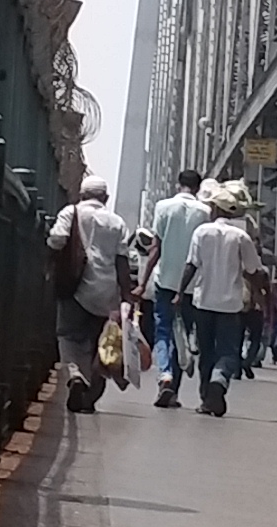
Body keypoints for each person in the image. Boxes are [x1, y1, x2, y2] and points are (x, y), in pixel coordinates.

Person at [45, 181, 130, 417]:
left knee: (68, 336)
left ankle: (75, 375)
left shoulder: (71, 212)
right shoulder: (117, 222)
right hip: (105, 293)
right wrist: (127, 297)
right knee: (98, 346)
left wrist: (50, 261)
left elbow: (58, 238)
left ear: (81, 194)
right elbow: (122, 260)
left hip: (74, 287)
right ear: (106, 197)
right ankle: (90, 396)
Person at [179, 182, 265, 417]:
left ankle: (206, 397)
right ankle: (219, 381)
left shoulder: (201, 232)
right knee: (227, 351)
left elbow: (191, 266)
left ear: (215, 209)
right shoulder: (241, 237)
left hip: (202, 302)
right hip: (230, 305)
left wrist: (179, 293)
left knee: (206, 352)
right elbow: (253, 271)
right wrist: (261, 297)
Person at [144, 168, 213, 404]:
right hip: (191, 286)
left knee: (163, 331)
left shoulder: (163, 207)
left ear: (178, 184)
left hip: (165, 281)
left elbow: (156, 248)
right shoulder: (205, 212)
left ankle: (165, 375)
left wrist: (142, 282)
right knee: (182, 334)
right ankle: (173, 390)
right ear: (198, 187)